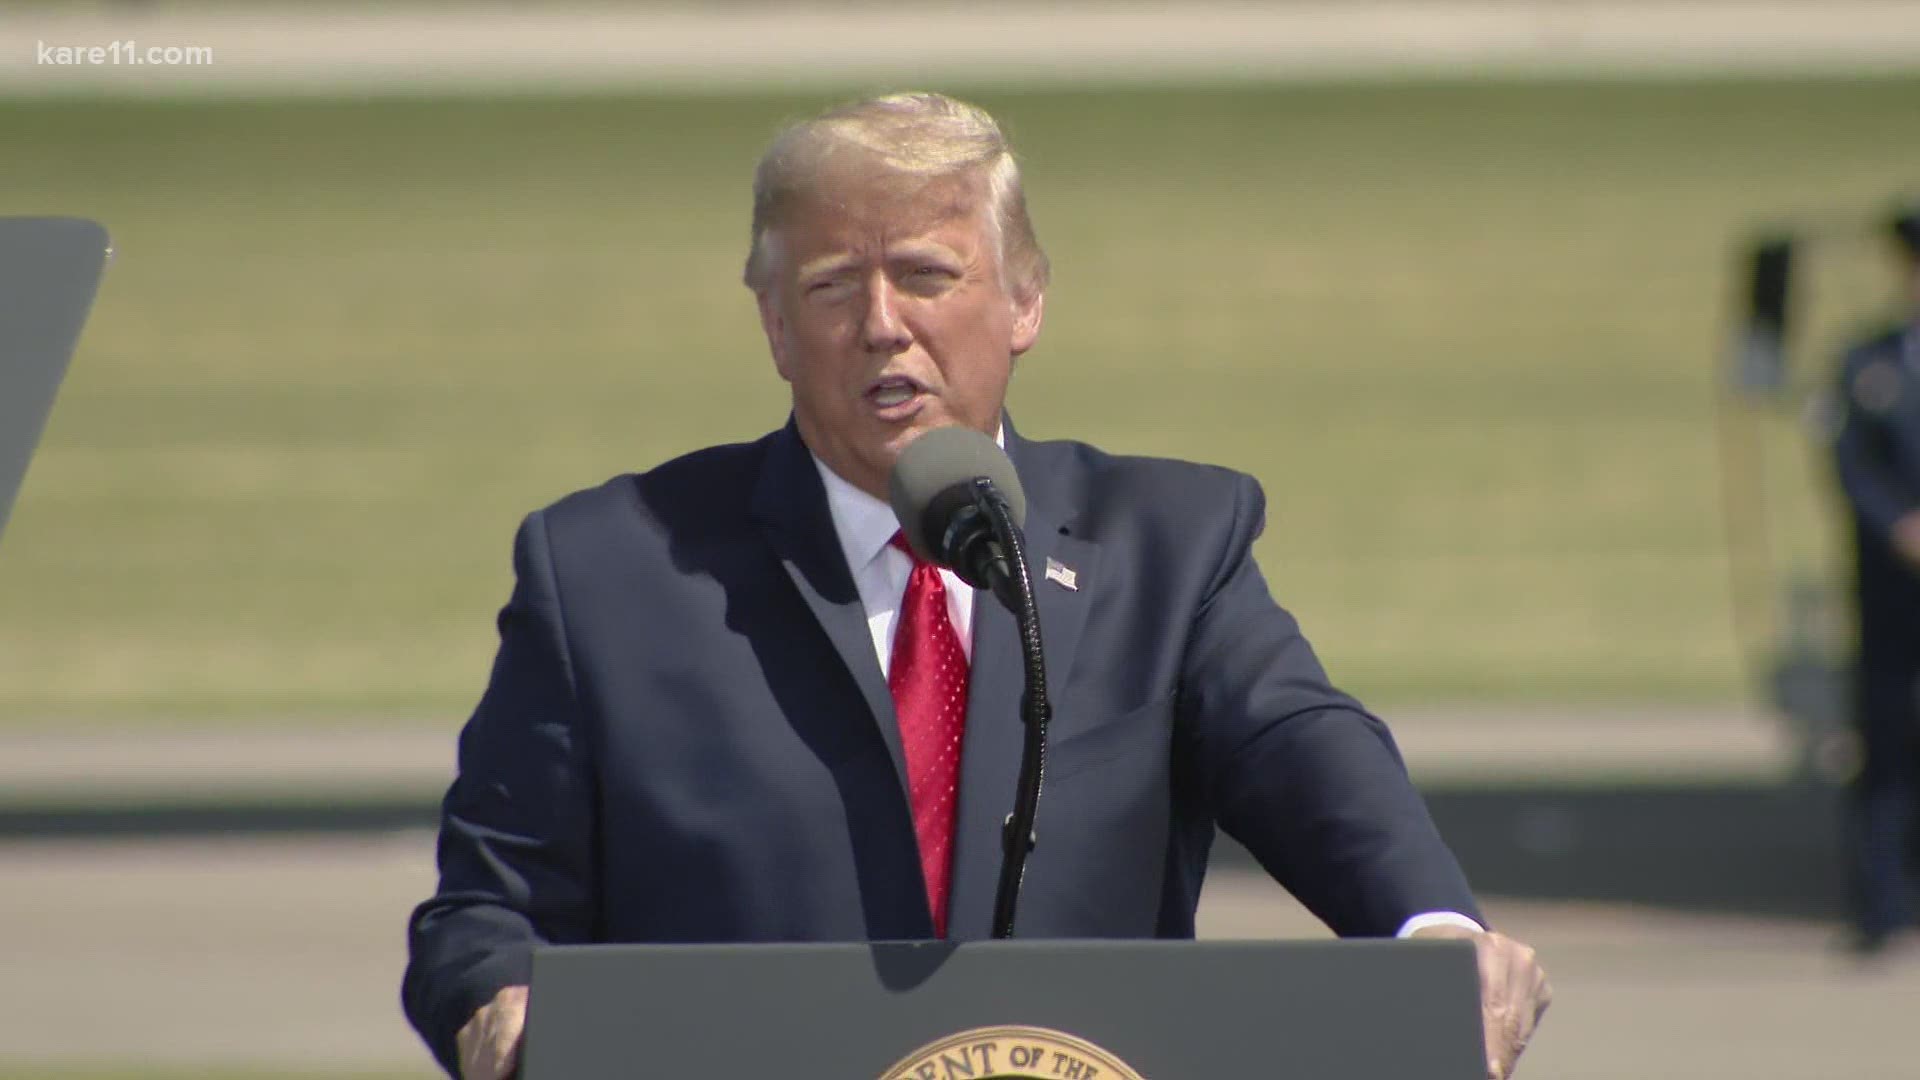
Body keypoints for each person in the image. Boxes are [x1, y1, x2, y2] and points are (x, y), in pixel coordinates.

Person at [402, 92, 1551, 1079]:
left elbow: (1301, 748)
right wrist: (499, 1008)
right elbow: (482, 916)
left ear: (1026, 302)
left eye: (925, 275)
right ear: (773, 325)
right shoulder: (613, 570)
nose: (882, 326)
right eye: (833, 285)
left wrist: (1434, 928)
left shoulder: (1166, 546)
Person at [1830, 200, 1920, 955]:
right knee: (1884, 747)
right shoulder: (1871, 363)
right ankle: (1881, 905)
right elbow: (1851, 464)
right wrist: (1901, 526)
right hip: (1896, 596)